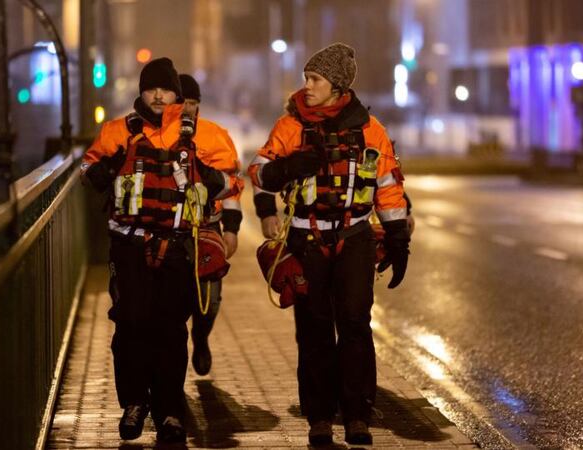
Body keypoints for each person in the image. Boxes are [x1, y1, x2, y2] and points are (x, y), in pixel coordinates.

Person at [248, 43, 410, 446]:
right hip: (306, 238)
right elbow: (257, 172)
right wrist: (289, 167)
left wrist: (397, 239)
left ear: (338, 86)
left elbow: (388, 187)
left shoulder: (371, 130)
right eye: (306, 78)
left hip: (354, 237)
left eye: (315, 79)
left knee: (355, 325)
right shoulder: (290, 127)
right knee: (314, 329)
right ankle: (319, 417)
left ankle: (357, 415)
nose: (307, 87)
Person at [81, 57, 241, 444]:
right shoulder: (118, 132)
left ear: (177, 95)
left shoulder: (206, 136)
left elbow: (232, 182)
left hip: (177, 246)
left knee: (170, 330)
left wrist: (209, 179)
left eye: (165, 89)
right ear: (141, 91)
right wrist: (103, 169)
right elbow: (87, 167)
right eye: (151, 87)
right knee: (132, 323)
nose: (157, 94)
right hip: (128, 244)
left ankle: (170, 411)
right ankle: (134, 403)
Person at [179, 73, 244, 376]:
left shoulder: (216, 136)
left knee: (211, 301)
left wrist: (231, 228)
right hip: (173, 232)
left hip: (208, 228)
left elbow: (232, 188)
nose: (187, 107)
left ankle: (201, 336)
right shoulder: (159, 136)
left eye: (193, 102)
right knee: (174, 307)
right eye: (183, 101)